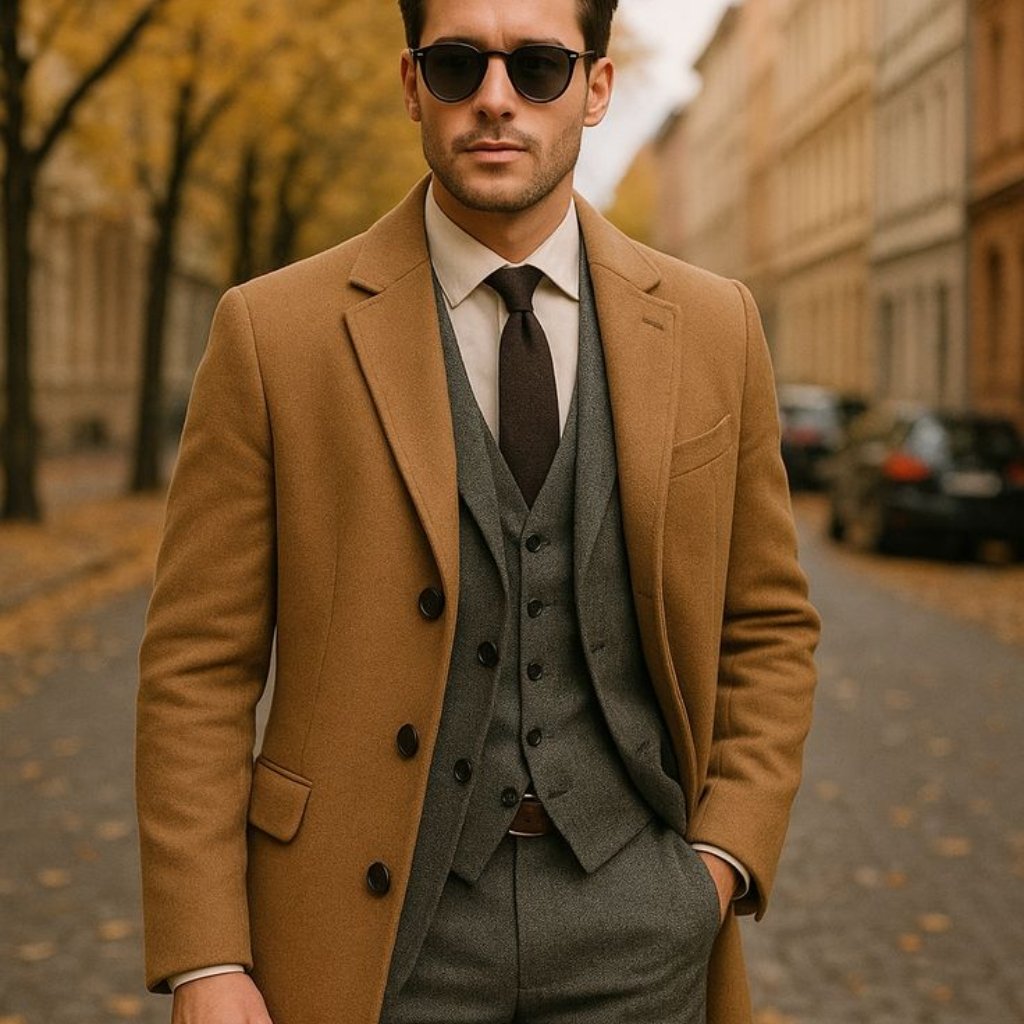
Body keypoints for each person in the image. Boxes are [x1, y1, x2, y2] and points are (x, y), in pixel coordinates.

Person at [135, 0, 820, 1021]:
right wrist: (205, 955)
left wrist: (719, 862)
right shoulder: (273, 334)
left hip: (640, 926)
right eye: (457, 65)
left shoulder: (714, 327)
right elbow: (197, 665)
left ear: (595, 89)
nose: (494, 101)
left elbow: (767, 624)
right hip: (366, 927)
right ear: (413, 84)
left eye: (538, 67)